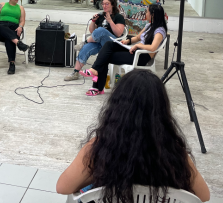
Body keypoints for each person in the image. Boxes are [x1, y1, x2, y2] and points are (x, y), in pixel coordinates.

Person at [56, 69, 210, 202]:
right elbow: (204, 196)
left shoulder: (99, 148)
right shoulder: (174, 152)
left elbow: (63, 187)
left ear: (116, 107)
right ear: (162, 110)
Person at [79, 4, 167, 96]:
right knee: (109, 45)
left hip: (143, 56)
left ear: (152, 15)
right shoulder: (149, 25)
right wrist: (127, 41)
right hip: (136, 50)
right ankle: (95, 74)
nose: (145, 13)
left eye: (147, 12)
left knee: (106, 56)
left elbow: (153, 47)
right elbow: (137, 37)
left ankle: (97, 86)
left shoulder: (159, 31)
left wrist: (138, 46)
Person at [64, 0, 125, 81]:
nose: (104, 6)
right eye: (103, 4)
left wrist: (110, 21)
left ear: (113, 5)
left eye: (107, 4)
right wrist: (93, 21)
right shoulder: (101, 16)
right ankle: (75, 72)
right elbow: (92, 32)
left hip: (112, 43)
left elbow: (119, 34)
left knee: (101, 30)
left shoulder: (118, 17)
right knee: (85, 48)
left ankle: (84, 42)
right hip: (100, 43)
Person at [0, 0, 29, 74]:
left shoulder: (21, 8)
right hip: (1, 27)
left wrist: (20, 27)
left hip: (14, 28)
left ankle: (12, 64)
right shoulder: (2, 5)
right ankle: (18, 42)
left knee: (9, 39)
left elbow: (22, 20)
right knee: (0, 27)